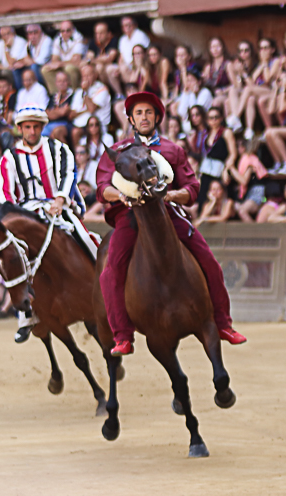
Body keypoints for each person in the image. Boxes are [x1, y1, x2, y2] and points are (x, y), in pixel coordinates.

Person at [94, 91, 246, 356]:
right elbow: (102, 188)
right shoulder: (117, 152)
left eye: (149, 112)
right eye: (139, 113)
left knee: (209, 262)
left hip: (168, 213)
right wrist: (120, 196)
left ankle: (223, 323)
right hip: (130, 216)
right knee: (110, 272)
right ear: (131, 119)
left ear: (157, 117)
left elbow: (193, 188)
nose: (144, 117)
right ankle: (123, 335)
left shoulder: (173, 150)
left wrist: (172, 195)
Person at [0, 105, 98, 342]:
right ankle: (26, 317)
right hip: (24, 214)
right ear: (20, 129)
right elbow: (4, 193)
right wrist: (17, 216)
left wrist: (60, 200)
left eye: (36, 127)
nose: (32, 131)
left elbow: (68, 175)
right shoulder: (9, 157)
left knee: (84, 237)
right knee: (14, 257)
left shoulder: (59, 149)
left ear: (42, 127)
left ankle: (104, 287)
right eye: (27, 127)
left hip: (57, 207)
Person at [68, 63, 111, 146]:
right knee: (58, 131)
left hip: (97, 125)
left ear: (95, 75)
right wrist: (85, 111)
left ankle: (79, 153)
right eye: (84, 76)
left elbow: (91, 109)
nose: (86, 79)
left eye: (88, 75)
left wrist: (85, 92)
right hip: (80, 123)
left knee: (76, 132)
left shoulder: (102, 89)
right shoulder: (79, 91)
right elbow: (71, 115)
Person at [41, 21, 85, 94]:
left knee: (69, 68)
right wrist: (57, 64)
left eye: (68, 30)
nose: (65, 33)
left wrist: (60, 64)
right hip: (63, 65)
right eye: (63, 31)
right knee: (45, 69)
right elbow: (54, 58)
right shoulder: (58, 39)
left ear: (73, 30)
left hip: (77, 66)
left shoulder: (78, 38)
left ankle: (72, 93)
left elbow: (76, 60)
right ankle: (55, 94)